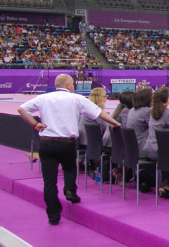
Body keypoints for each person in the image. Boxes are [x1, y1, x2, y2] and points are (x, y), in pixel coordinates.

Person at [17, 74, 120, 225]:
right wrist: (116, 123)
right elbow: (99, 113)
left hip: (46, 142)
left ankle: (53, 216)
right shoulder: (76, 98)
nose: (73, 87)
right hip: (66, 142)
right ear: (67, 85)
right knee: (70, 168)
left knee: (49, 182)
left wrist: (34, 124)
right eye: (72, 84)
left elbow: (21, 109)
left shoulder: (44, 98)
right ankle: (70, 190)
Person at [142, 88, 169, 198]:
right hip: (158, 151)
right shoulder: (168, 113)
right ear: (167, 99)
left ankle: (166, 184)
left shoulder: (152, 112)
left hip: (148, 148)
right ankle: (167, 184)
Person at [126, 88, 153, 193]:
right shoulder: (147, 111)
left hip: (132, 148)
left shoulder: (132, 110)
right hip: (142, 148)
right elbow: (153, 127)